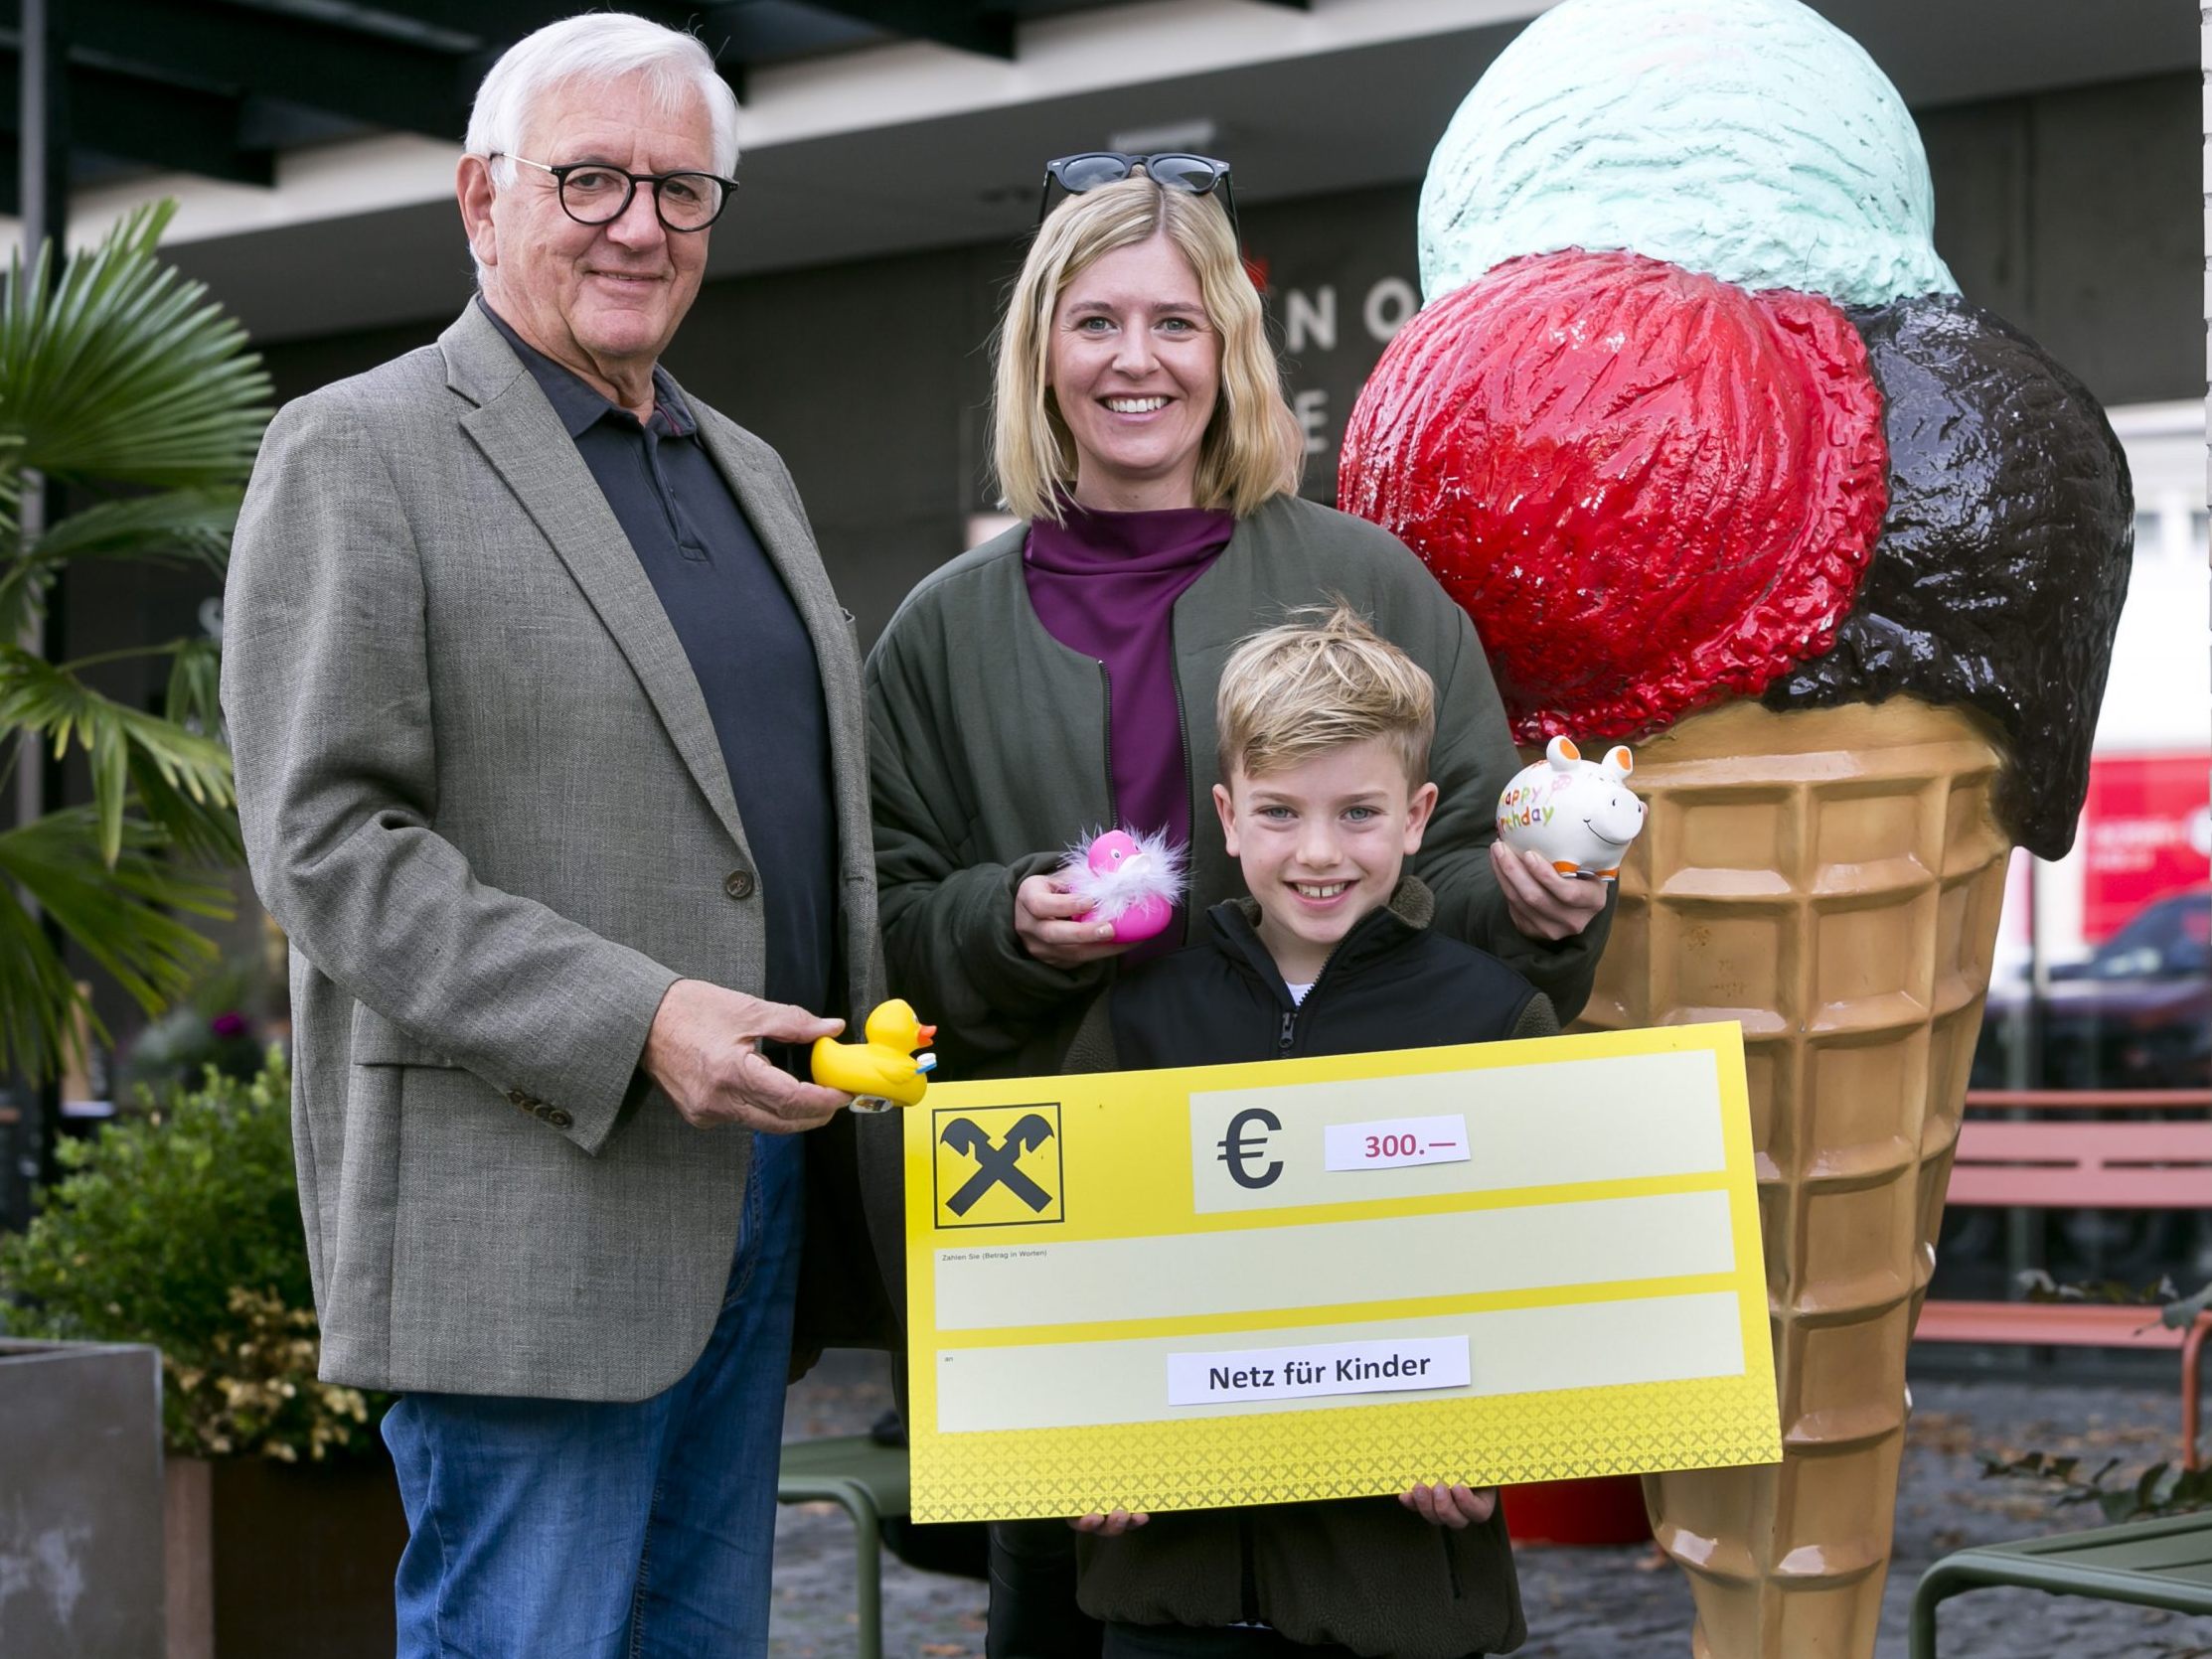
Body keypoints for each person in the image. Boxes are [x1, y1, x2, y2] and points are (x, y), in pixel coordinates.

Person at [860, 158, 1609, 1655]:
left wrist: (1541, 904)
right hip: (1077, 1252)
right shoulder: (940, 632)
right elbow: (874, 915)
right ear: (1040, 353)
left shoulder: (1365, 580)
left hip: (1362, 1235)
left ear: (1229, 350)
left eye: (1174, 322)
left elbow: (1462, 866)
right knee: (1086, 1620)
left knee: (1368, 1597)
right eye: (1094, 323)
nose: (1133, 360)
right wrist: (1006, 922)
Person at [220, 14, 884, 1655]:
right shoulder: (360, 447)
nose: (638, 225)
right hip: (526, 1220)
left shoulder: (746, 468)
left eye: (680, 188)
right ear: (482, 199)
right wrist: (637, 1017)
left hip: (753, 1199)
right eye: (590, 179)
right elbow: (328, 844)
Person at [1056, 604, 1548, 1658]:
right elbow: (1074, 1265)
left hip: (1398, 1590)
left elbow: (1539, 1274)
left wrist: (1496, 1444)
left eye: (1359, 812)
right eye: (1280, 812)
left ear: (1417, 815)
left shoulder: (1494, 1017)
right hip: (1168, 1588)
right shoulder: (1140, 1016)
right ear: (1228, 817)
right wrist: (1083, 1435)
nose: (1319, 852)